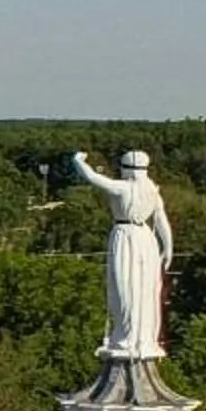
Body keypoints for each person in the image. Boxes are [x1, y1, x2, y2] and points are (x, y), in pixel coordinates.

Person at [66, 149, 175, 360]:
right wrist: (168, 246)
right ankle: (130, 335)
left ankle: (132, 336)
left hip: (126, 238)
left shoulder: (124, 188)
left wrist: (78, 160)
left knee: (127, 287)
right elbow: (161, 222)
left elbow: (92, 177)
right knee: (132, 288)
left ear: (126, 170)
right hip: (145, 240)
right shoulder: (151, 190)